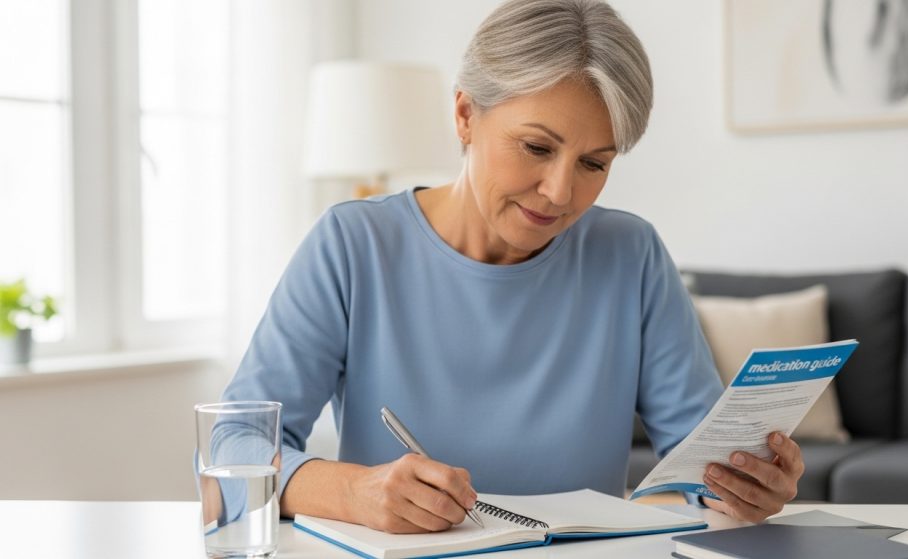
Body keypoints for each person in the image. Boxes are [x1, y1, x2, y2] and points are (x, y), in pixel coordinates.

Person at [222, 0, 804, 534]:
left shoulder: (632, 254)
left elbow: (702, 470)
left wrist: (747, 486)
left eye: (593, 164)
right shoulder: (353, 245)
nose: (558, 192)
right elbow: (229, 449)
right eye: (537, 148)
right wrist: (355, 492)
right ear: (465, 115)